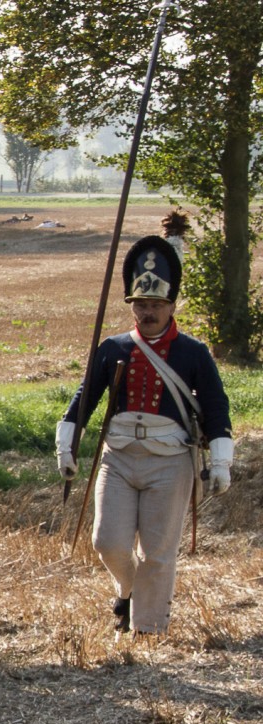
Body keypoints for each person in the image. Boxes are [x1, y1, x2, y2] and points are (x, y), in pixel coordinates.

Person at [57, 233, 233, 636]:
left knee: (157, 552)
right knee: (107, 542)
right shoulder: (113, 347)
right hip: (118, 456)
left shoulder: (194, 353)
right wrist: (67, 445)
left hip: (170, 461)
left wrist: (221, 461)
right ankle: (128, 590)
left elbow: (217, 406)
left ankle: (148, 631)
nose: (148, 313)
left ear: (171, 305)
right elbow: (84, 400)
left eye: (155, 305)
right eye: (141, 305)